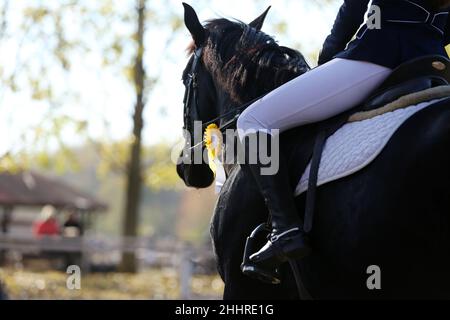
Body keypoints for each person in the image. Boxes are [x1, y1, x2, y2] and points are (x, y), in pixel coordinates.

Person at [237, 0, 450, 266]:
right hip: (434, 64)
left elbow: (354, 6)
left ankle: (285, 229)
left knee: (253, 120)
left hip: (378, 54)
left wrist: (329, 56)